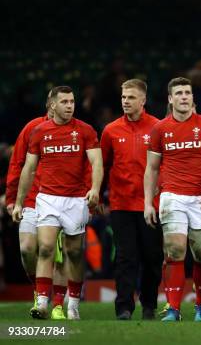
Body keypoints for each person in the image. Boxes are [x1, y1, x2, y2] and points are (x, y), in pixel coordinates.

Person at [12, 86, 103, 320]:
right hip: (47, 199)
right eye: (64, 102)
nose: (70, 105)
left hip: (75, 199)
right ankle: (42, 302)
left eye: (72, 101)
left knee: (74, 253)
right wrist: (19, 201)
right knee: (45, 248)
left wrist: (94, 189)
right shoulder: (39, 131)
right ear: (52, 105)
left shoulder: (85, 131)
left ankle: (72, 303)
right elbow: (28, 168)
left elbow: (97, 162)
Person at [144, 77, 201, 322]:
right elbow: (152, 168)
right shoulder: (160, 129)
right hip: (172, 196)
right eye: (178, 93)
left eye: (187, 93)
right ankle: (173, 308)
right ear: (170, 99)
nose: (184, 97)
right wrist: (148, 202)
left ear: (192, 97)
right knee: (175, 249)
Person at [101, 79, 163, 320]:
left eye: (131, 97)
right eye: (123, 97)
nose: (125, 101)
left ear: (143, 100)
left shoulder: (158, 128)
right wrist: (98, 193)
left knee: (152, 257)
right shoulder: (110, 130)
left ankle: (149, 305)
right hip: (121, 204)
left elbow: (166, 166)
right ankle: (124, 308)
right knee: (126, 258)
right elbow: (103, 166)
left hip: (151, 206)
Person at [5, 90, 68, 319]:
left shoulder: (75, 130)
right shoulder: (32, 128)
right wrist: (13, 199)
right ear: (50, 105)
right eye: (61, 102)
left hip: (60, 200)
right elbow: (17, 163)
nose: (65, 106)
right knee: (27, 249)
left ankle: (57, 303)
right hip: (31, 199)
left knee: (55, 253)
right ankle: (39, 288)